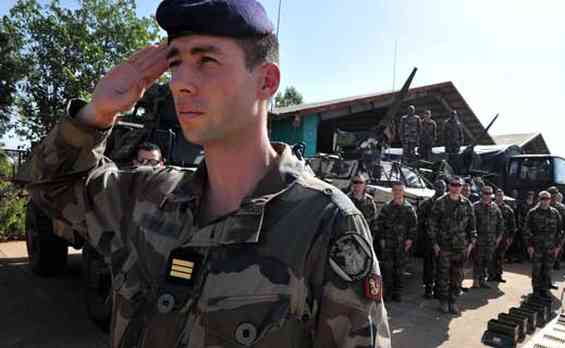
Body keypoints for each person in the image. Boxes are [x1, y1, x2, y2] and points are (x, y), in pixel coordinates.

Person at [28, 1, 390, 346]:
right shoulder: (149, 197)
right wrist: (97, 112)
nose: (179, 83)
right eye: (175, 64)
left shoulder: (324, 226)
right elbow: (51, 188)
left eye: (206, 60)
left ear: (266, 81)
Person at [429, 176, 477, 314]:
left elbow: (472, 226)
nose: (456, 187)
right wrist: (435, 244)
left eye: (458, 185)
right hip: (444, 246)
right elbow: (432, 224)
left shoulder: (467, 204)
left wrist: (470, 244)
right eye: (453, 185)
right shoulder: (440, 203)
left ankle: (453, 301)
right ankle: (443, 301)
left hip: (460, 247)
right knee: (443, 276)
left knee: (457, 276)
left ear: (462, 187)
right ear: (449, 186)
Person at [375, 182, 417, 302]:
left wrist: (409, 240)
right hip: (388, 244)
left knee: (399, 269)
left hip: (402, 244)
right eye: (395, 190)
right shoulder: (386, 207)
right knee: (387, 269)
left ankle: (397, 293)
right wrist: (382, 239)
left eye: (400, 190)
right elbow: (380, 224)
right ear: (392, 192)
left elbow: (413, 226)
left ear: (403, 192)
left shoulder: (409, 208)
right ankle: (387, 293)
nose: (397, 192)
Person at [523, 191, 563, 298]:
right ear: (539, 200)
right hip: (537, 248)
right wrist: (529, 246)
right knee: (537, 270)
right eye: (543, 199)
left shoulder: (555, 213)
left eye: (547, 199)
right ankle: (536, 290)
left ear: (550, 200)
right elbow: (526, 230)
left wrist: (558, 246)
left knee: (547, 270)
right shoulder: (532, 212)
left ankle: (544, 289)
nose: (545, 201)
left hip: (550, 247)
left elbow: (560, 231)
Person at [418, 179, 447, 299]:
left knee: (442, 266)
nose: (441, 189)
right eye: (439, 187)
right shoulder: (427, 204)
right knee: (429, 266)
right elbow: (420, 222)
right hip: (430, 240)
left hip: (444, 240)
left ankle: (437, 290)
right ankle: (428, 289)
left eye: (443, 187)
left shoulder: (448, 203)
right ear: (435, 188)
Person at [472, 186, 504, 288]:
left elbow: (500, 223)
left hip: (491, 240)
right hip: (479, 239)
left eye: (490, 193)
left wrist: (498, 237)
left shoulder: (495, 207)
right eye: (486, 193)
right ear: (481, 194)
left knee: (487, 260)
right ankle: (476, 280)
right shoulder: (475, 206)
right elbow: (470, 223)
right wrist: (472, 238)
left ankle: (483, 280)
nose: (487, 195)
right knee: (478, 260)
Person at [492, 188, 516, 283]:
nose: (499, 197)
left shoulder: (508, 209)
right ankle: (491, 275)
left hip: (503, 238)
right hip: (491, 237)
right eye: (497, 195)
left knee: (500, 257)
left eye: (501, 195)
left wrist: (510, 238)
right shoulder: (490, 207)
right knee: (491, 257)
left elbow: (512, 225)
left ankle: (498, 275)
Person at [548, 187, 565, 270]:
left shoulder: (563, 207)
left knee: (559, 249)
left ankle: (556, 263)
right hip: (546, 233)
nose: (553, 196)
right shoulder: (543, 205)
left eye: (555, 194)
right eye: (551, 193)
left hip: (559, 232)